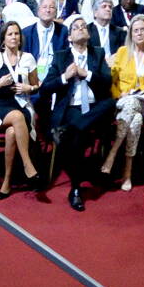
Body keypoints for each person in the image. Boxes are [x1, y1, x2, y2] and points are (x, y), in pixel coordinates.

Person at [40, 16, 112, 211]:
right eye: (76, 28)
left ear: (88, 34)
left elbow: (107, 82)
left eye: (83, 27)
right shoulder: (61, 56)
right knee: (78, 134)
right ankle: (76, 189)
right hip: (71, 108)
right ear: (70, 37)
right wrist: (66, 76)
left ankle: (67, 130)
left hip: (95, 108)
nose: (80, 29)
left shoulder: (98, 53)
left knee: (111, 103)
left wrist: (85, 73)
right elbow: (45, 88)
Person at [100, 13, 144, 190]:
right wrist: (119, 94)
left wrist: (136, 92)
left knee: (134, 106)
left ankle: (112, 154)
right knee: (135, 120)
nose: (139, 33)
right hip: (123, 101)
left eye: (143, 30)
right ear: (131, 34)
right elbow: (113, 81)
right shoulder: (122, 52)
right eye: (136, 30)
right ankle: (127, 172)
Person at [0, 20, 41, 198]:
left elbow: (36, 84)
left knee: (12, 133)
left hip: (22, 103)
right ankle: (27, 164)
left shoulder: (28, 58)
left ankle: (6, 181)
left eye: (16, 34)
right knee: (15, 117)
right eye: (10, 34)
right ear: (3, 39)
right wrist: (0, 84)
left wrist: (28, 88)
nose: (14, 37)